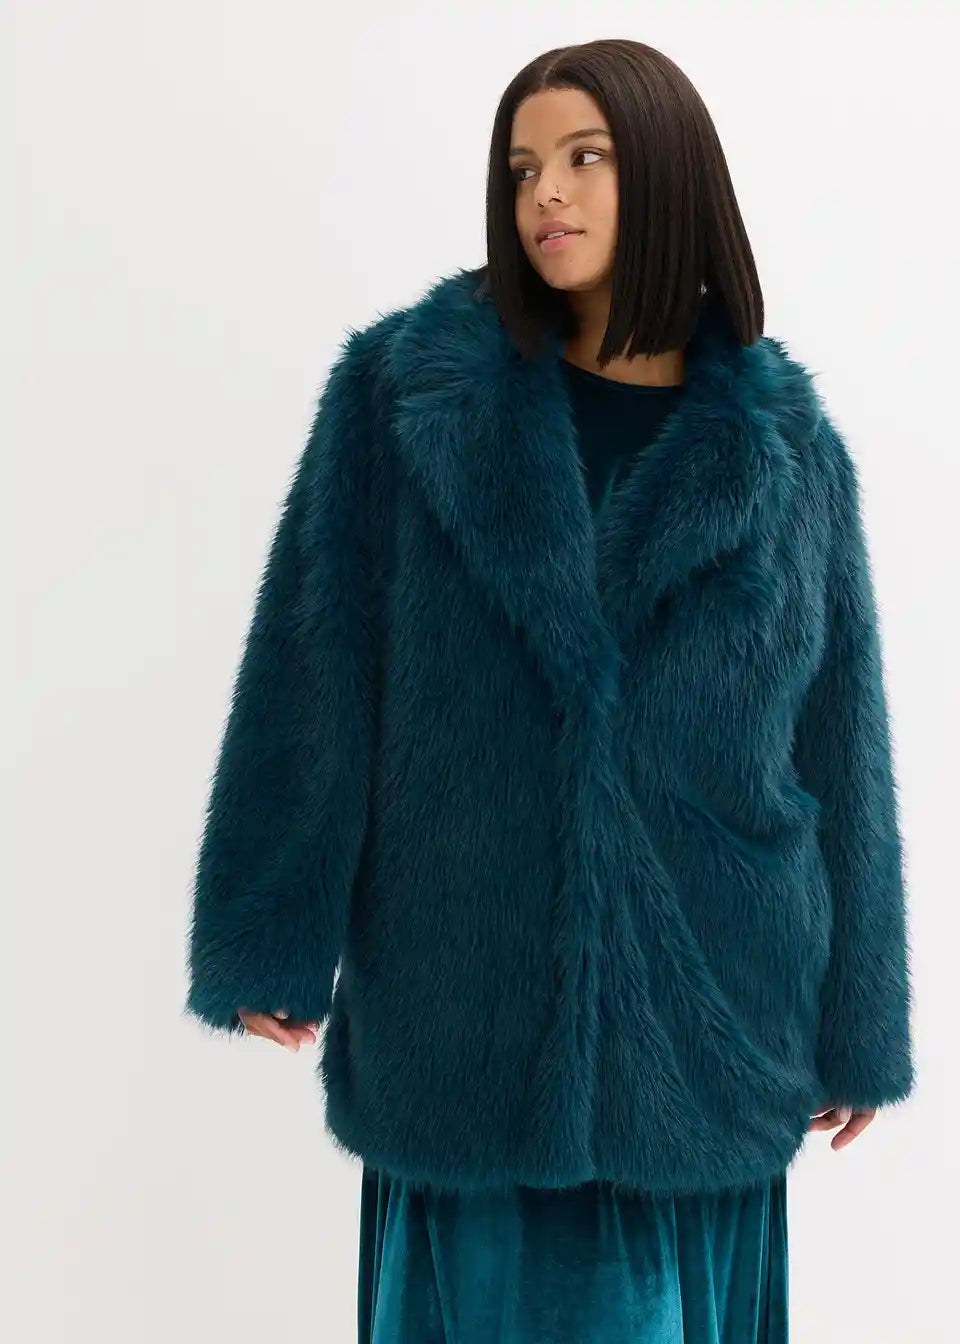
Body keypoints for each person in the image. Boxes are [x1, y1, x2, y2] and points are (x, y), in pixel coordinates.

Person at [184, 38, 916, 1343]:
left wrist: (860, 1023)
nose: (547, 195)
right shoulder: (404, 398)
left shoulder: (788, 453)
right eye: (523, 167)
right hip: (464, 1014)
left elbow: (840, 747)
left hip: (713, 1025)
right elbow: (314, 666)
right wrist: (269, 930)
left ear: (672, 177)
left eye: (587, 157)